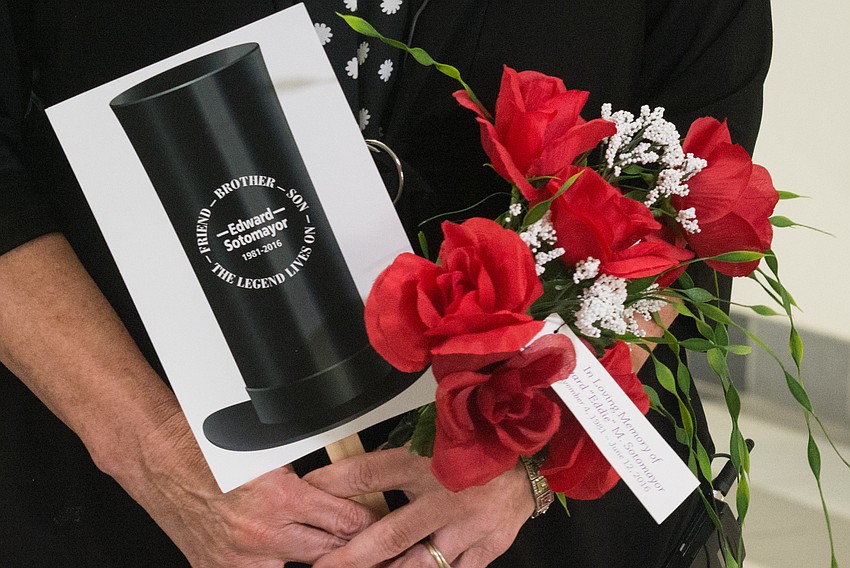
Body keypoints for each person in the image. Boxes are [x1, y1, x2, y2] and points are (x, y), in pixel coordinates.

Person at [0, 1, 771, 566]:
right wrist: (158, 456)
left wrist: (534, 461)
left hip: (555, 534)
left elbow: (696, 182)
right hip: (131, 510)